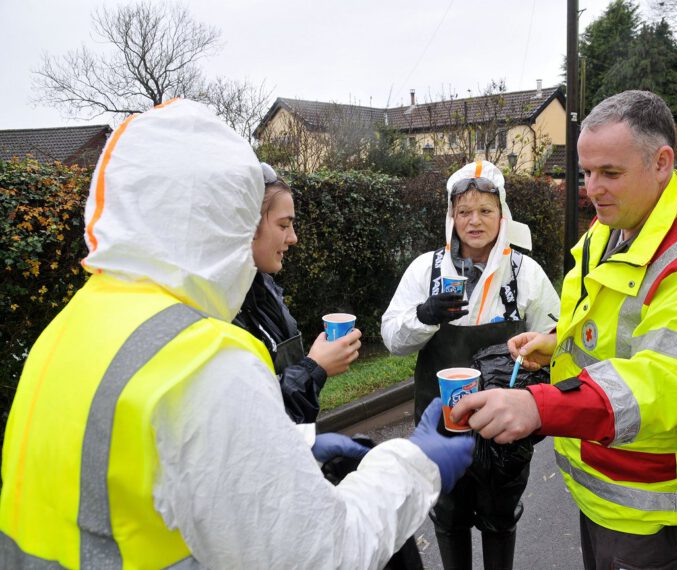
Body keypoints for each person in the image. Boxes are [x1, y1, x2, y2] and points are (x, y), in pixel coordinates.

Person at [0, 99, 476, 569]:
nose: (286, 236)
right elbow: (321, 555)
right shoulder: (201, 362)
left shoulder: (67, 328)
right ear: (226, 216)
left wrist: (293, 444)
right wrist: (417, 464)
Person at [452, 90, 677, 570]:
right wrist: (555, 343)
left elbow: (664, 379)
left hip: (640, 506)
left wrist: (538, 404)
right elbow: (605, 321)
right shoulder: (616, 224)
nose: (592, 188)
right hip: (600, 485)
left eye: (610, 172)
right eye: (586, 172)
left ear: (661, 163)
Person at [381, 160, 560, 569]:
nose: (474, 221)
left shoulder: (524, 273)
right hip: (442, 429)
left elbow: (558, 341)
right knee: (448, 522)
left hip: (505, 435)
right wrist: (424, 316)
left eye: (485, 210)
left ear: (503, 215)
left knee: (500, 523)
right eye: (464, 211)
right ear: (451, 216)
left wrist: (539, 363)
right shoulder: (426, 270)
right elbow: (392, 339)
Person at [233, 162, 361, 424]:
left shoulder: (262, 288)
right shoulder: (220, 308)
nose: (293, 238)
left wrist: (317, 364)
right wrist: (315, 367)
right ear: (247, 226)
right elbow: (251, 418)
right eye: (283, 226)